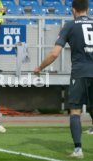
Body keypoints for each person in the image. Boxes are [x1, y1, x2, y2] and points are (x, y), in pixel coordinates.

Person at [34, 0, 93, 158]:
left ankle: (78, 150)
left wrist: (40, 67)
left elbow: (54, 53)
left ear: (73, 10)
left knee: (75, 111)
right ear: (88, 9)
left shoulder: (70, 26)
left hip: (80, 73)